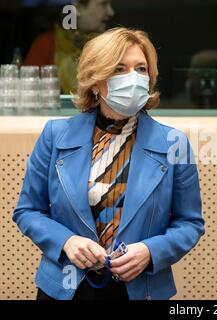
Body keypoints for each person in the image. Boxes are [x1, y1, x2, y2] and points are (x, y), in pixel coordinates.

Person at [13, 27, 204, 300]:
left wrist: (151, 252)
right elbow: (28, 211)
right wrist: (67, 241)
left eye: (141, 69)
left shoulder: (174, 143)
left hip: (140, 288)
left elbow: (190, 223)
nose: (134, 78)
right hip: (65, 288)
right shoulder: (56, 135)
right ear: (95, 80)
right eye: (119, 69)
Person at [24, 0, 115, 93]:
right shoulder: (47, 44)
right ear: (78, 7)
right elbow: (29, 91)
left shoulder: (110, 46)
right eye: (103, 4)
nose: (111, 12)